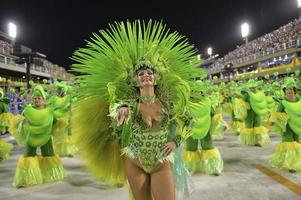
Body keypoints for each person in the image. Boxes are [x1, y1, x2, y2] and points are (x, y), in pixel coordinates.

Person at [71, 20, 200, 200]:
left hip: (160, 162)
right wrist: (120, 111)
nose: (145, 75)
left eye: (149, 73)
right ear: (135, 81)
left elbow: (190, 121)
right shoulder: (129, 105)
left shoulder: (167, 104)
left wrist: (176, 142)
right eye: (141, 74)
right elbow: (116, 113)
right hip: (134, 162)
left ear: (155, 79)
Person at [13, 85, 64, 188]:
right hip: (31, 138)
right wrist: (22, 121)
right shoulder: (28, 111)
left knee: (49, 155)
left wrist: (62, 123)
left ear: (44, 99)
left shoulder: (49, 111)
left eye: (39, 98)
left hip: (46, 138)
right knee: (28, 157)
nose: (36, 100)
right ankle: (27, 178)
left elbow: (55, 122)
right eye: (35, 98)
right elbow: (22, 120)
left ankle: (50, 175)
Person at [268, 77, 301, 172]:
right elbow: (277, 114)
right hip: (287, 128)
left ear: (294, 90)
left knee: (297, 143)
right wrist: (273, 121)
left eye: (290, 89)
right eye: (286, 89)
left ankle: (297, 162)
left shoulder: (299, 100)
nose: (288, 91)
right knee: (289, 145)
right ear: (284, 91)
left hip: (297, 126)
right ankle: (291, 165)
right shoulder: (282, 102)